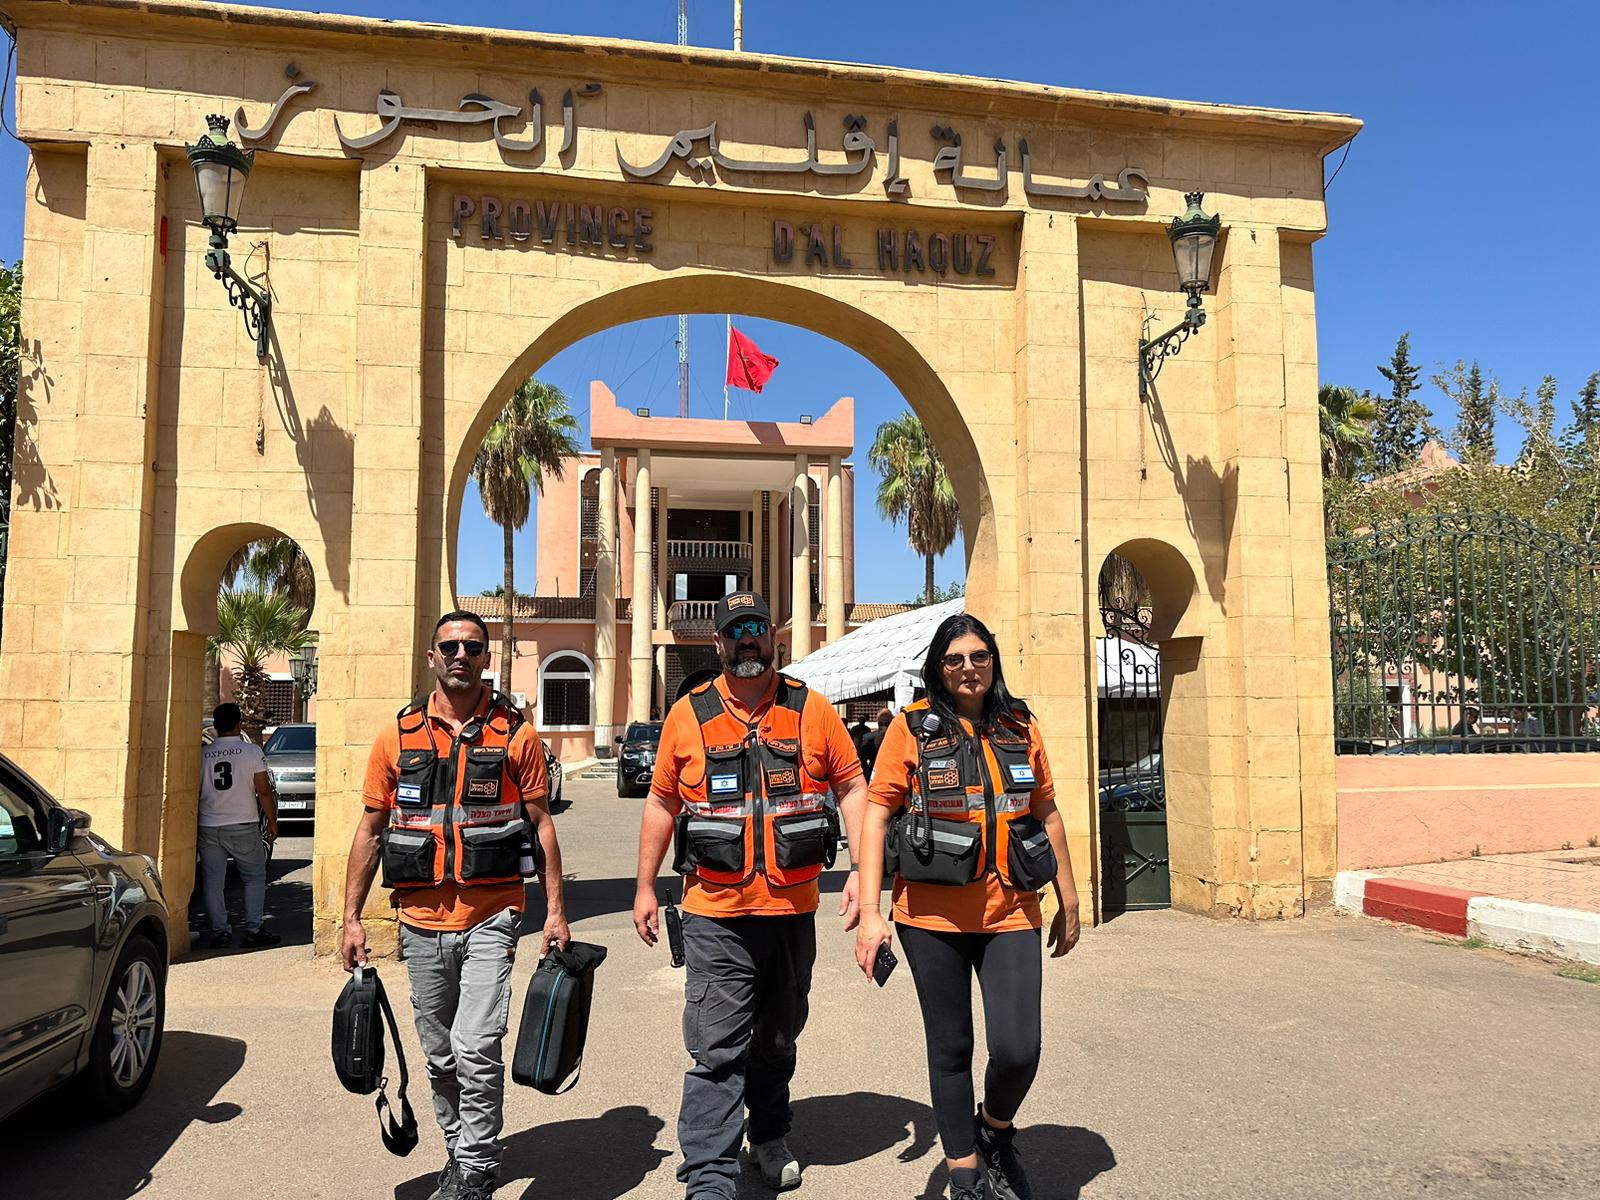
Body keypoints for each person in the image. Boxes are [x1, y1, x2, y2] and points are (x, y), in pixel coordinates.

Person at [633, 590, 868, 1199]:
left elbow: (852, 786)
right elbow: (660, 802)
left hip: (792, 912)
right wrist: (644, 886)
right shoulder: (689, 715)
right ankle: (709, 1178)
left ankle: (767, 1136)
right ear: (718, 642)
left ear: (773, 637)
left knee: (778, 1037)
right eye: (735, 631)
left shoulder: (811, 710)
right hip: (715, 915)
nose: (746, 640)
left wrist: (866, 874)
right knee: (717, 1047)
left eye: (756, 629)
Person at [341, 611, 569, 1200]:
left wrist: (556, 912)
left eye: (472, 646)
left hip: (493, 915)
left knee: (476, 1043)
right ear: (432, 657)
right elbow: (370, 832)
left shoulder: (515, 734)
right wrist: (350, 919)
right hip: (419, 922)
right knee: (439, 1052)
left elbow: (542, 828)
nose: (460, 655)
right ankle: (458, 1148)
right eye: (450, 646)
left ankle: (474, 1168)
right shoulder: (398, 736)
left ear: (487, 658)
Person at [855, 613, 1080, 1200]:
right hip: (930, 919)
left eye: (978, 656)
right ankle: (965, 1172)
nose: (968, 668)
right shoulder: (912, 729)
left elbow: (1045, 812)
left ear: (993, 660)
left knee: (1018, 1049)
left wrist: (1072, 897)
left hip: (1011, 912)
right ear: (939, 667)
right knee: (950, 1046)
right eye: (954, 659)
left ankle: (994, 1130)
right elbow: (877, 813)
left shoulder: (1019, 725)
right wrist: (873, 912)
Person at [198, 702, 280, 950]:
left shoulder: (202, 755)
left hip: (210, 823)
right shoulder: (252, 752)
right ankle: (253, 929)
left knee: (213, 882)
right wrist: (272, 821)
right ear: (239, 724)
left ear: (215, 726)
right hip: (243, 822)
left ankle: (220, 932)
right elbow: (263, 790)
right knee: (254, 876)